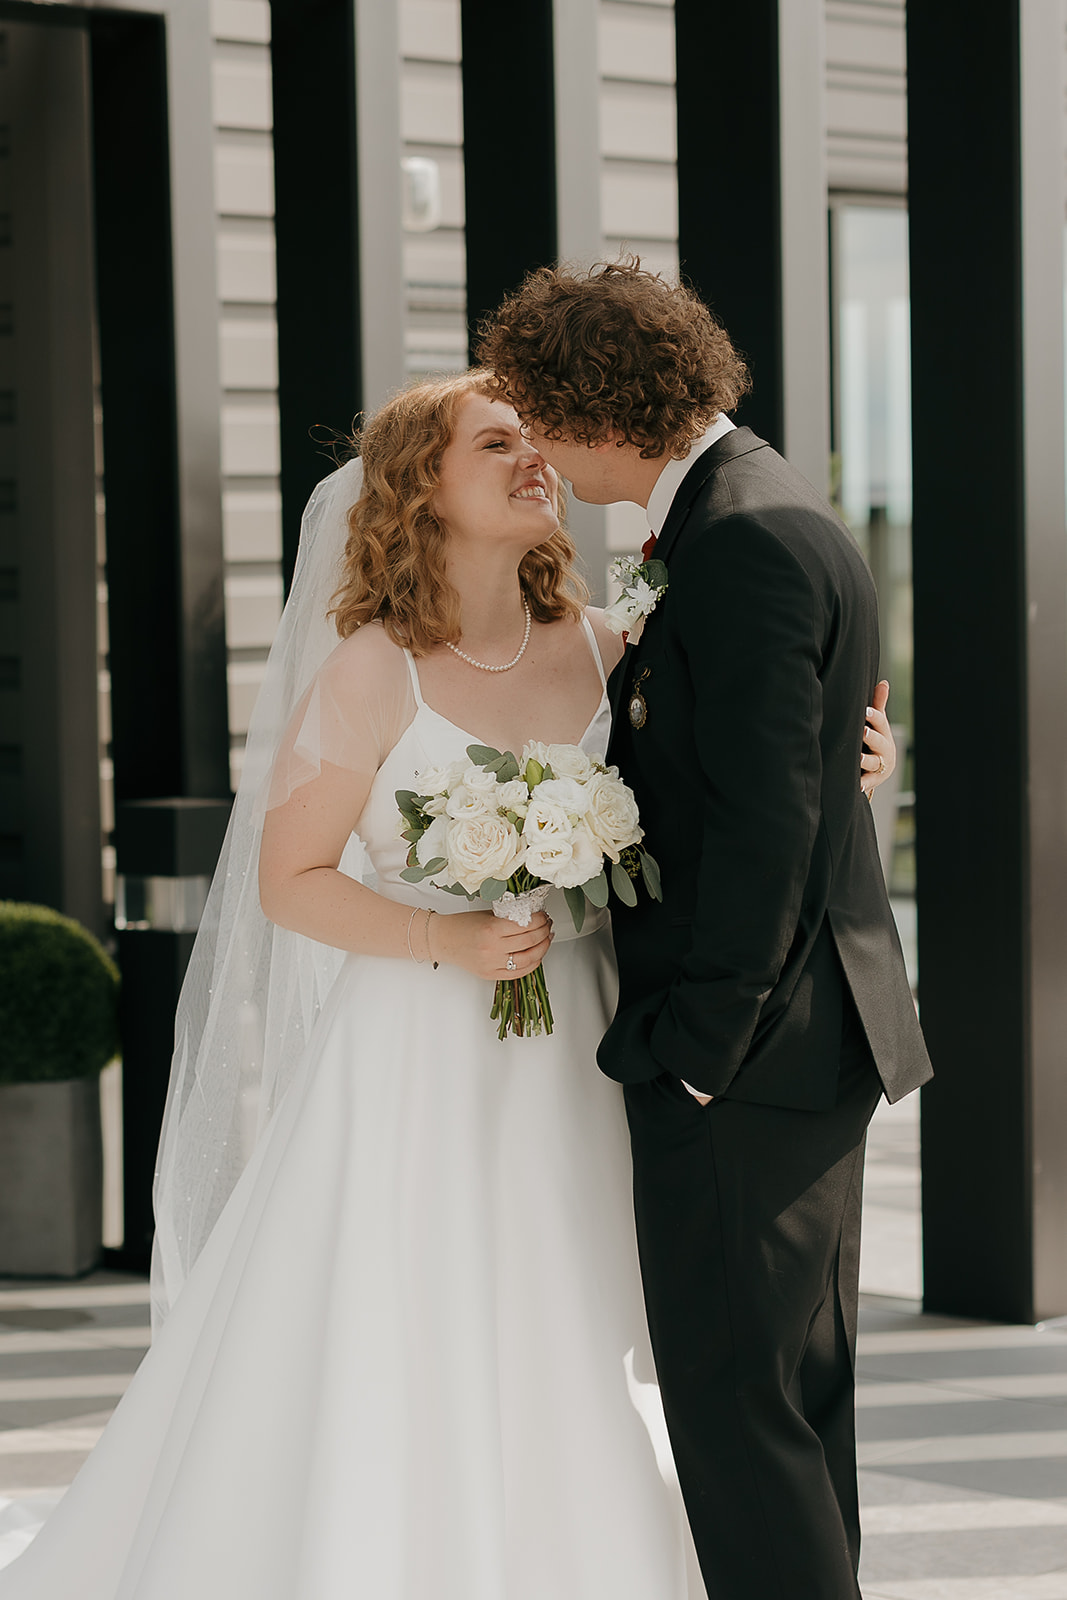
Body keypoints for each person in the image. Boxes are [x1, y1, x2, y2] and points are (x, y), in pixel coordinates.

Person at [0, 371, 897, 1598]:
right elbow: (289, 880)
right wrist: (451, 941)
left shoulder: (604, 642)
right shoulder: (370, 672)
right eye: (498, 442)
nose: (535, 458)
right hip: (420, 1048)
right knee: (412, 1320)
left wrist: (852, 759)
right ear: (422, 486)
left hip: (582, 1037)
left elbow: (731, 784)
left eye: (539, 439)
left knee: (561, 1317)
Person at [480, 259, 932, 1600]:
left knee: (739, 1419)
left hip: (749, 1056)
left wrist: (699, 1045)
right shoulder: (754, 507)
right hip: (795, 1051)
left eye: (539, 419)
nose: (541, 455)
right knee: (784, 1413)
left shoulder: (735, 541)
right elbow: (769, 769)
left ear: (597, 409)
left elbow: (761, 831)